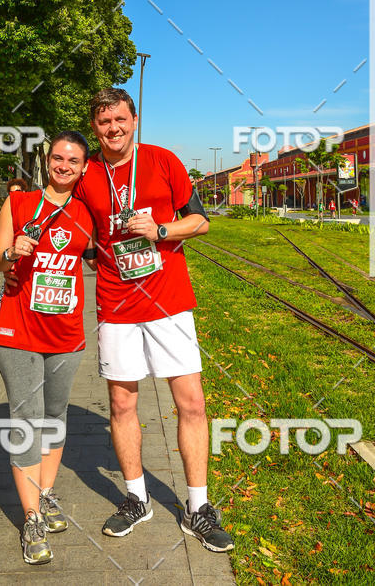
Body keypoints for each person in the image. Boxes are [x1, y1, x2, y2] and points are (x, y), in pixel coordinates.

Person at [73, 88, 234, 552]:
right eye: (104, 123)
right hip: (116, 305)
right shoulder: (88, 176)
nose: (113, 129)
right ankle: (136, 499)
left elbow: (200, 221)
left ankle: (197, 509)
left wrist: (161, 230)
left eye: (120, 119)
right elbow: (77, 234)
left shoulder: (164, 161)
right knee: (123, 406)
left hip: (169, 304)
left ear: (134, 118)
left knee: (192, 404)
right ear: (96, 127)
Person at [0, 132, 95, 566]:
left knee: (54, 418)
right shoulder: (19, 204)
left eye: (73, 160)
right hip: (18, 330)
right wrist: (12, 255)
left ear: (84, 167)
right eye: (57, 157)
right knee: (26, 422)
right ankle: (31, 516)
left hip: (66, 335)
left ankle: (46, 496)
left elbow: (100, 257)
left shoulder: (88, 215)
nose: (64, 165)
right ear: (46, 160)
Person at [0, 179, 28, 317]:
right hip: (12, 250)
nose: (14, 194)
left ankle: (3, 304)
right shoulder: (8, 207)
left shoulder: (31, 208)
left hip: (26, 252)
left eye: (17, 191)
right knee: (9, 276)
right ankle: (2, 303)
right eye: (11, 192)